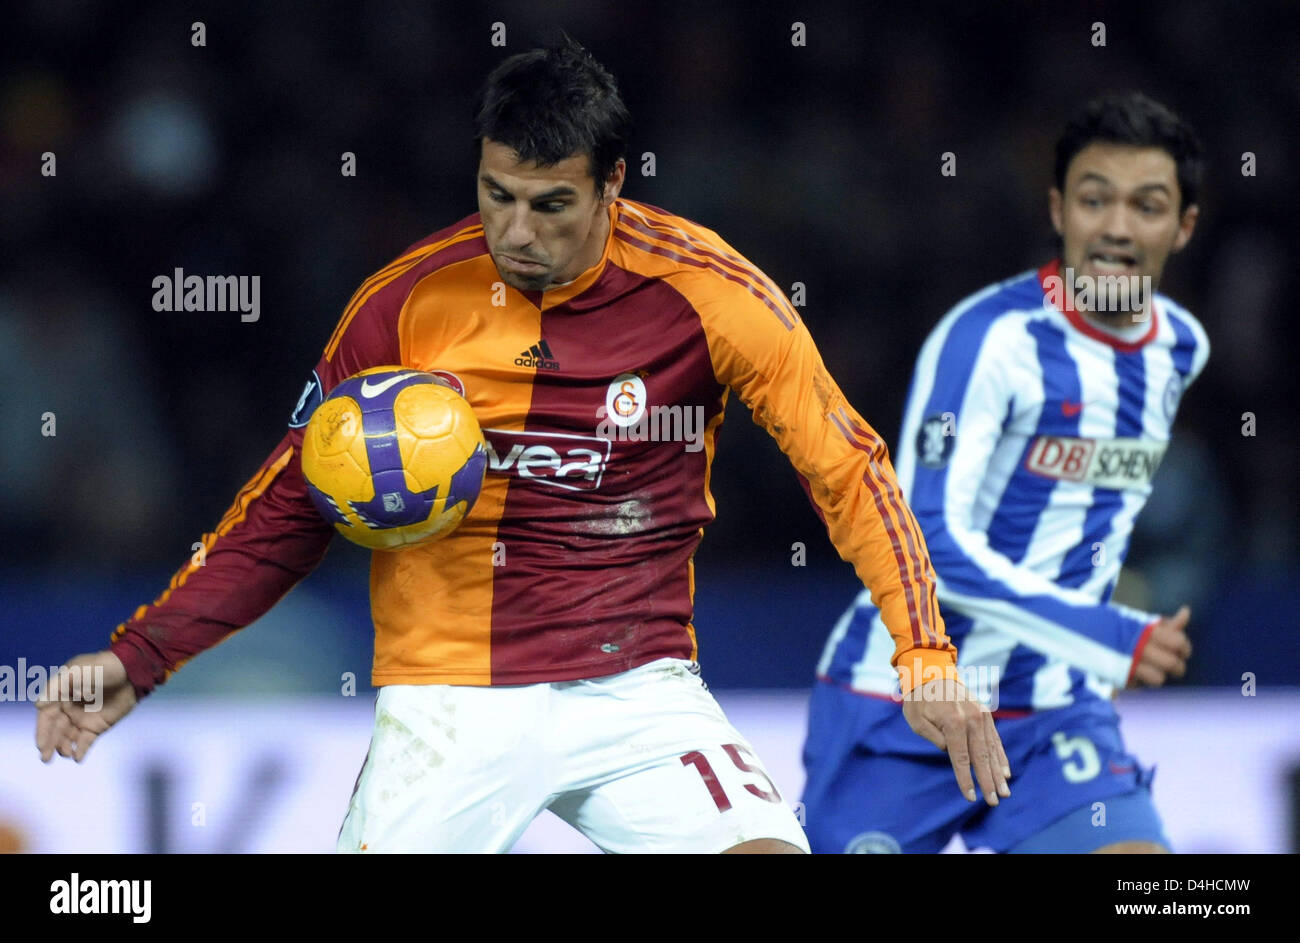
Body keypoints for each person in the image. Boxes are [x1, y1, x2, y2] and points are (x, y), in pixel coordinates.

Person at [36, 35, 1008, 854]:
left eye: (550, 204)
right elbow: (286, 508)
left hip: (636, 686)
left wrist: (923, 650)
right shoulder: (406, 305)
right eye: (496, 194)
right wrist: (141, 654)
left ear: (613, 184)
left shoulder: (711, 295)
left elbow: (847, 468)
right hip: (450, 697)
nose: (516, 232)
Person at [802, 91, 1207, 854]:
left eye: (1147, 205)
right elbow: (929, 545)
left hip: (1055, 710)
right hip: (908, 700)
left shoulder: (1181, 348)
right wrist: (1107, 630)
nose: (1118, 226)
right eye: (1095, 199)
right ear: (1059, 209)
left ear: (1183, 225)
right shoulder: (987, 341)